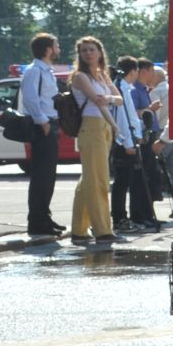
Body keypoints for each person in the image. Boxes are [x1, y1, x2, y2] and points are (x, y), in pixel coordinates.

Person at [66, 36, 121, 245]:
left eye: (91, 50)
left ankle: (79, 230)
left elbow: (120, 100)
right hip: (91, 126)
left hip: (103, 125)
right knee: (98, 180)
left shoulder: (102, 75)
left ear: (100, 52)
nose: (88, 53)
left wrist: (109, 103)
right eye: (84, 51)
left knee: (89, 178)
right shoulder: (80, 76)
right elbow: (98, 102)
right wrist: (114, 124)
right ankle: (102, 229)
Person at [20, 32, 65, 237]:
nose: (58, 49)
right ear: (47, 49)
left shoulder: (47, 71)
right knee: (41, 177)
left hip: (51, 124)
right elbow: (30, 98)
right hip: (43, 127)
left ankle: (44, 217)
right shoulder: (34, 71)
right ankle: (36, 222)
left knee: (48, 177)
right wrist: (42, 121)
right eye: (56, 46)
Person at [109, 57, 159, 233]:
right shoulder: (120, 88)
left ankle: (127, 217)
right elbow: (122, 118)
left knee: (129, 181)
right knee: (122, 183)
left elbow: (130, 117)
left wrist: (137, 135)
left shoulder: (125, 87)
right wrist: (128, 142)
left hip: (131, 139)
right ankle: (120, 218)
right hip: (124, 142)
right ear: (133, 72)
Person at [144, 61, 173, 221]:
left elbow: (155, 117)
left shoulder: (156, 93)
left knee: (154, 170)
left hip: (161, 134)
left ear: (155, 77)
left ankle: (149, 209)